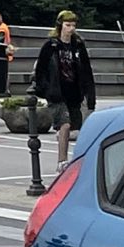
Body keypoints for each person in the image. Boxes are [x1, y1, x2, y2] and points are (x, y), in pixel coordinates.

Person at [32, 9, 96, 173]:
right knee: (65, 125)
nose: (71, 29)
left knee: (76, 128)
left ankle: (74, 156)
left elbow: (87, 71)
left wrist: (90, 96)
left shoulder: (78, 45)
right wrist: (45, 89)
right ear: (61, 26)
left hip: (74, 92)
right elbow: (41, 70)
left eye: (73, 25)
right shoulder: (51, 45)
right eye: (68, 25)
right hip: (56, 92)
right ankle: (62, 161)